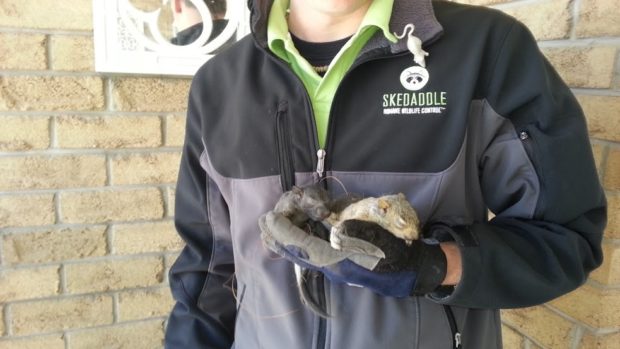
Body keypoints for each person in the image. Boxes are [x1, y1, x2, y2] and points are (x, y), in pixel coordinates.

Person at [165, 0, 607, 348]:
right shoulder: (217, 85)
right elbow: (208, 268)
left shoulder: (488, 50)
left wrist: (435, 265)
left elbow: (566, 240)